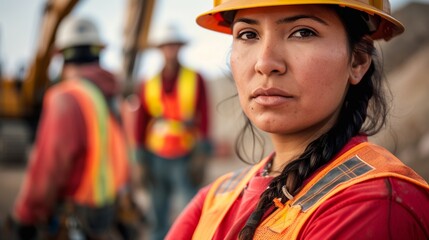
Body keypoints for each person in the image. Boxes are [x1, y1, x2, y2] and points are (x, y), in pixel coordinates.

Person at [166, 0, 429, 239]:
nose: (265, 63)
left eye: (303, 32)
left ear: (358, 61)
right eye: (248, 35)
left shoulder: (373, 204)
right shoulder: (215, 199)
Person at [11, 15, 134, 239]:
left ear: (62, 55)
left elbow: (48, 167)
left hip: (77, 215)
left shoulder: (64, 98)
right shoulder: (109, 96)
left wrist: (26, 215)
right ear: (98, 51)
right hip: (107, 209)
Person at [134, 24, 211, 240]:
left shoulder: (195, 78)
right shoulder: (148, 82)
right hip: (156, 156)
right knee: (157, 214)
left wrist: (202, 153)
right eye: (166, 46)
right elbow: (140, 121)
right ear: (160, 49)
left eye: (174, 46)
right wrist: (139, 159)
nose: (170, 50)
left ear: (180, 48)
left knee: (192, 210)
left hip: (186, 155)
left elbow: (205, 117)